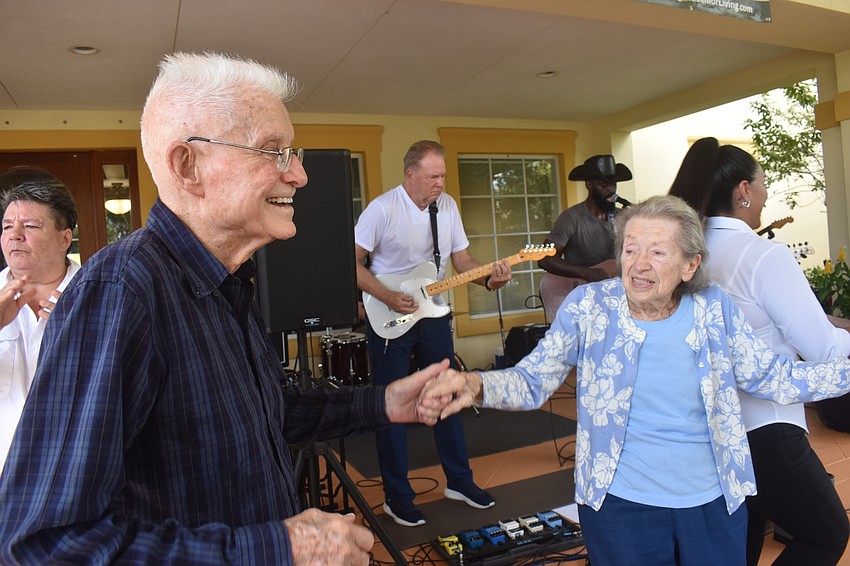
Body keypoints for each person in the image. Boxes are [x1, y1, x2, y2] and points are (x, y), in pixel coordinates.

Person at [0, 52, 463, 565]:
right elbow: (42, 545)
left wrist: (382, 403)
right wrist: (279, 547)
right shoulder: (120, 291)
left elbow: (261, 415)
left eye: (294, 152)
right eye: (274, 151)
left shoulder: (229, 281)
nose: (301, 176)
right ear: (187, 166)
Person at [425, 195, 850, 565]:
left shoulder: (714, 309)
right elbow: (534, 380)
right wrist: (476, 384)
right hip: (621, 507)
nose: (639, 265)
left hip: (714, 502)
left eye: (658, 253)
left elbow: (772, 377)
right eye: (630, 250)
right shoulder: (590, 307)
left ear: (690, 265)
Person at [669, 137, 850, 565]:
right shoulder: (762, 254)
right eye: (763, 183)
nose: (767, 194)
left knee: (739, 548)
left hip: (702, 431)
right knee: (826, 533)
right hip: (762, 429)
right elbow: (823, 350)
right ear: (743, 191)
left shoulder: (681, 254)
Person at [354, 140, 511, 527]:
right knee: (390, 402)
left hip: (434, 312)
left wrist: (488, 278)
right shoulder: (382, 209)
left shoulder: (447, 207)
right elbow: (351, 263)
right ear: (411, 175)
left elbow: (462, 261)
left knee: (448, 392)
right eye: (433, 176)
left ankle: (459, 481)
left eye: (443, 175)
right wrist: (386, 294)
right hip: (389, 314)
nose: (441, 182)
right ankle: (396, 496)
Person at [0, 181, 80, 473]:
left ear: (65, 238)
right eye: (7, 226)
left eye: (31, 226)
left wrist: (82, 327)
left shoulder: (101, 297)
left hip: (75, 477)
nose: (15, 236)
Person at [537, 154, 632, 282]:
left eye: (613, 185)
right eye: (604, 185)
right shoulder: (571, 218)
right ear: (589, 185)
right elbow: (545, 259)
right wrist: (586, 272)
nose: (611, 190)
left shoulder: (622, 217)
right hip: (581, 291)